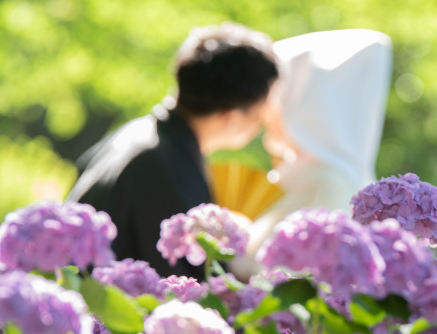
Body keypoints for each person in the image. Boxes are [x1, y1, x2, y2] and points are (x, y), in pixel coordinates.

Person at [66, 23, 278, 278]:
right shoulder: (166, 168)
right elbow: (184, 283)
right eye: (260, 115)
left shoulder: (134, 136)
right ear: (230, 116)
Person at [229, 29, 393, 280]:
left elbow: (288, 279)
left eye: (276, 101)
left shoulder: (331, 183)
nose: (263, 113)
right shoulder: (306, 172)